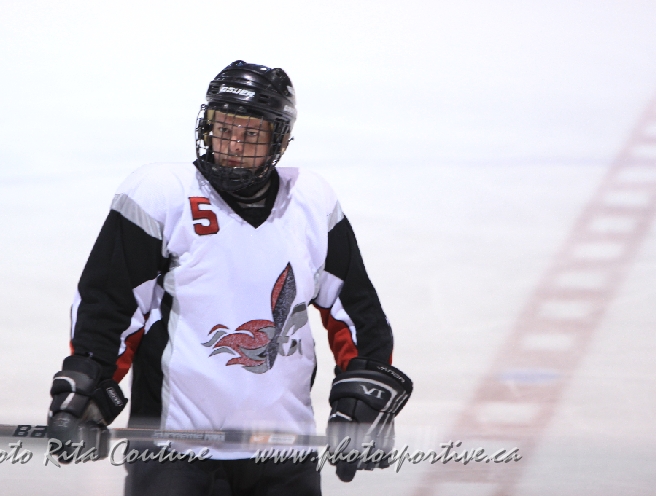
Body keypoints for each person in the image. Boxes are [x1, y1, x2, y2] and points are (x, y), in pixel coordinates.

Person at [47, 61, 412, 495]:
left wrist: (366, 390)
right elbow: (111, 303)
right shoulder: (161, 194)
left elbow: (356, 308)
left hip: (285, 452)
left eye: (251, 135)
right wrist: (89, 380)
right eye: (223, 128)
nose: (233, 145)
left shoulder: (311, 202)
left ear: (280, 140)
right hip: (173, 451)